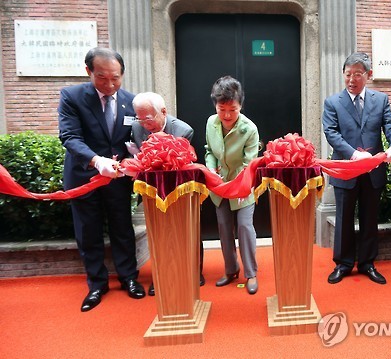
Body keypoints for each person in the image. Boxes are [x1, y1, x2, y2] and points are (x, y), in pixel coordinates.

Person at [58, 47, 145, 312]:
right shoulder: (72, 97)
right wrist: (97, 161)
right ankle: (96, 283)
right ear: (89, 72)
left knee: (122, 227)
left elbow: (138, 137)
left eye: (115, 78)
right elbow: (70, 137)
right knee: (88, 231)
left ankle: (129, 277)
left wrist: (138, 157)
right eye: (102, 78)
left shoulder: (132, 101)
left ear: (123, 74)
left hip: (118, 179)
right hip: (85, 176)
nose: (109, 84)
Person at [322, 52, 391, 285]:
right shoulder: (333, 102)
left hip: (373, 171)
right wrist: (354, 154)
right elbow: (332, 133)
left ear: (368, 75)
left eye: (357, 74)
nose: (351, 79)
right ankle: (343, 263)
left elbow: (390, 125)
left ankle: (368, 263)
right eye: (348, 74)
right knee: (343, 217)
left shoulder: (380, 100)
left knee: (370, 218)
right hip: (346, 170)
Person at [128, 92, 204, 296]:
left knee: (187, 229)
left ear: (163, 112)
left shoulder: (183, 130)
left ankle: (194, 271)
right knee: (158, 233)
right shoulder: (136, 128)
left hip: (179, 190)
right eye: (139, 118)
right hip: (152, 192)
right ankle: (161, 275)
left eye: (148, 118)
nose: (143, 124)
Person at [205, 75, 260, 295]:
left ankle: (251, 273)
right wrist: (210, 168)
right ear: (215, 106)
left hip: (242, 186)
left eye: (233, 109)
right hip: (219, 186)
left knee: (245, 227)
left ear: (241, 106)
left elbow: (249, 164)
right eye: (222, 109)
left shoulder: (249, 129)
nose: (227, 115)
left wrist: (239, 186)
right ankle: (231, 269)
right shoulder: (211, 122)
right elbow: (209, 151)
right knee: (224, 227)